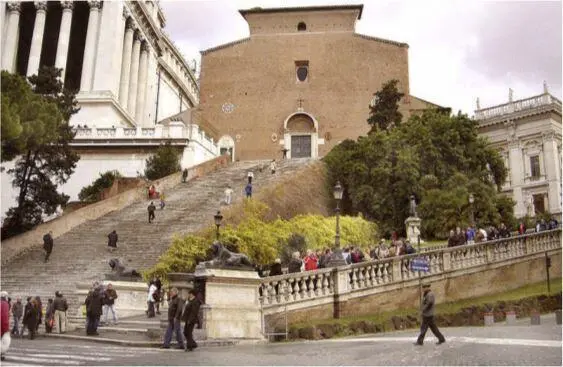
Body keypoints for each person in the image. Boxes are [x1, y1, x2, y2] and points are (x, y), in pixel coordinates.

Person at [1, 291, 10, 361]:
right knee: (3, 341)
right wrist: (6, 328)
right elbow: (4, 316)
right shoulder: (4, 304)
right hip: (2, 326)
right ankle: (1, 354)